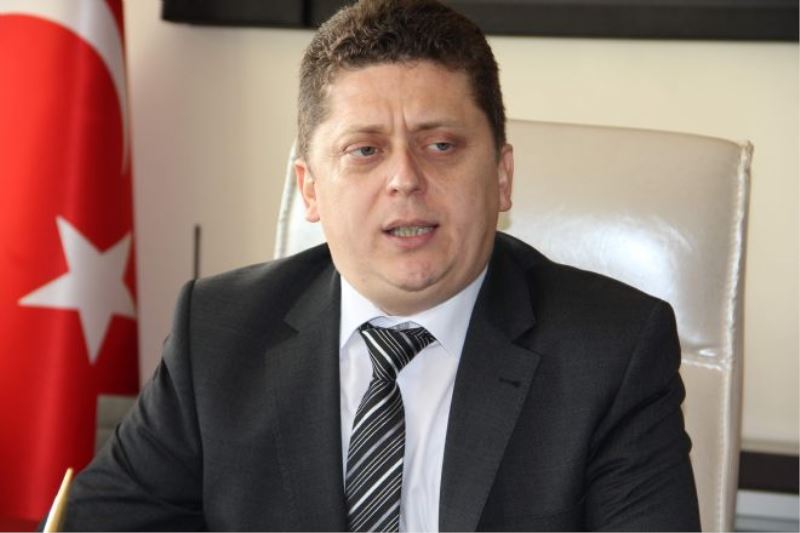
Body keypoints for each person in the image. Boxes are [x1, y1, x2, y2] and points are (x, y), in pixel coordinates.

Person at [62, 0, 701, 530]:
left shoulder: (610, 352)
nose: (405, 179)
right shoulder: (216, 333)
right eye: (364, 150)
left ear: (502, 176)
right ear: (310, 189)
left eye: (441, 145)